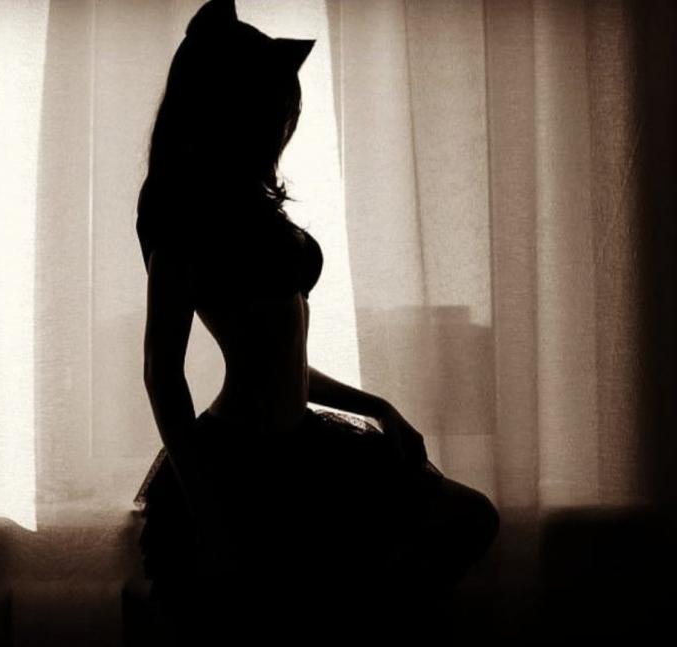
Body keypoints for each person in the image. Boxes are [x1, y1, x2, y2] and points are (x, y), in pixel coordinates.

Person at [134, 0, 499, 642]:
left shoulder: (253, 207)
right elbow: (162, 376)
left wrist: (379, 406)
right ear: (232, 107)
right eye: (275, 104)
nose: (286, 118)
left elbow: (280, 363)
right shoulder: (184, 218)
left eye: (288, 105)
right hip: (241, 462)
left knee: (465, 521)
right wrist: (207, 506)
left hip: (305, 448)